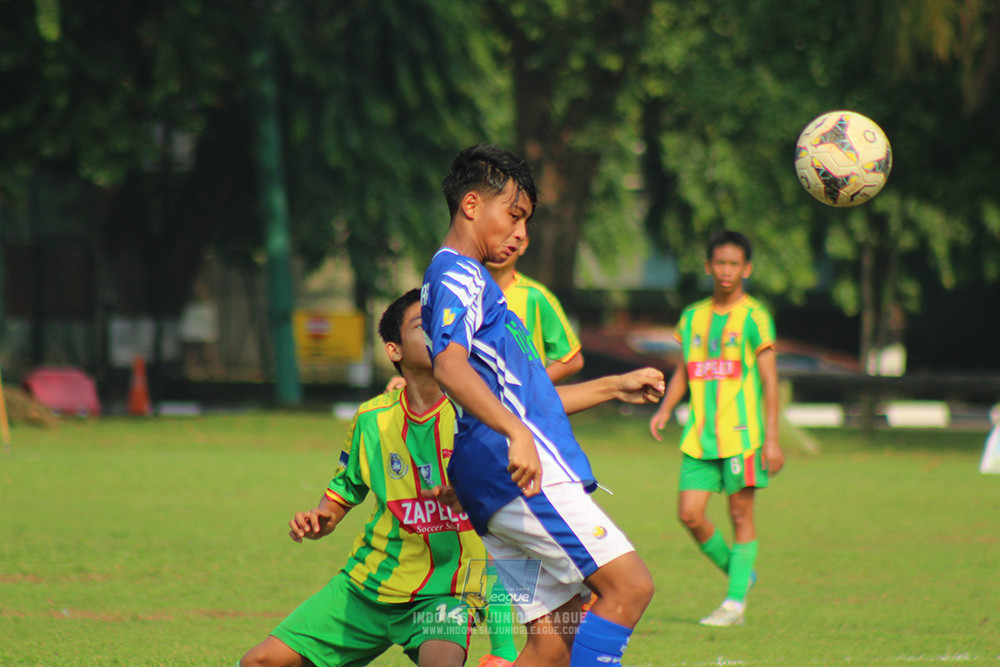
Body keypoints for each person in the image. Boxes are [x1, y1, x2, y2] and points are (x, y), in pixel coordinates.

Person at [421, 143, 665, 667]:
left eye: (526, 221)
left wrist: (612, 386)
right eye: (513, 216)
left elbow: (525, 399)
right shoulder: (458, 275)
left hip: (498, 474)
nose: (521, 234)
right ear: (470, 205)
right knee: (628, 587)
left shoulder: (476, 282)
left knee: (554, 646)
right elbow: (449, 366)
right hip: (516, 473)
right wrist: (517, 435)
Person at [239, 289, 482, 667]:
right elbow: (343, 491)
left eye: (442, 321)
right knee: (260, 661)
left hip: (445, 592)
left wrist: (470, 496)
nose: (437, 329)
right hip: (366, 586)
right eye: (422, 323)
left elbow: (513, 489)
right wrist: (320, 519)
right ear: (394, 350)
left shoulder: (476, 411)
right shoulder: (372, 419)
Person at [648, 230, 784, 627]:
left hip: (743, 438)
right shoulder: (692, 317)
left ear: (747, 268)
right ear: (709, 267)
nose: (726, 271)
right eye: (720, 263)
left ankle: (734, 604)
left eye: (734, 264)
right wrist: (665, 408)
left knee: (740, 516)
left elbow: (770, 381)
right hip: (699, 438)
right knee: (689, 514)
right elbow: (685, 371)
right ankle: (741, 575)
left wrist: (772, 439)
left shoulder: (755, 317)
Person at [485, 236, 583, 384]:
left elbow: (572, 360)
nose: (501, 245)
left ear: (523, 244)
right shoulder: (463, 292)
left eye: (508, 237)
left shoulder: (535, 296)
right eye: (495, 235)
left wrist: (532, 388)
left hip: (519, 406)